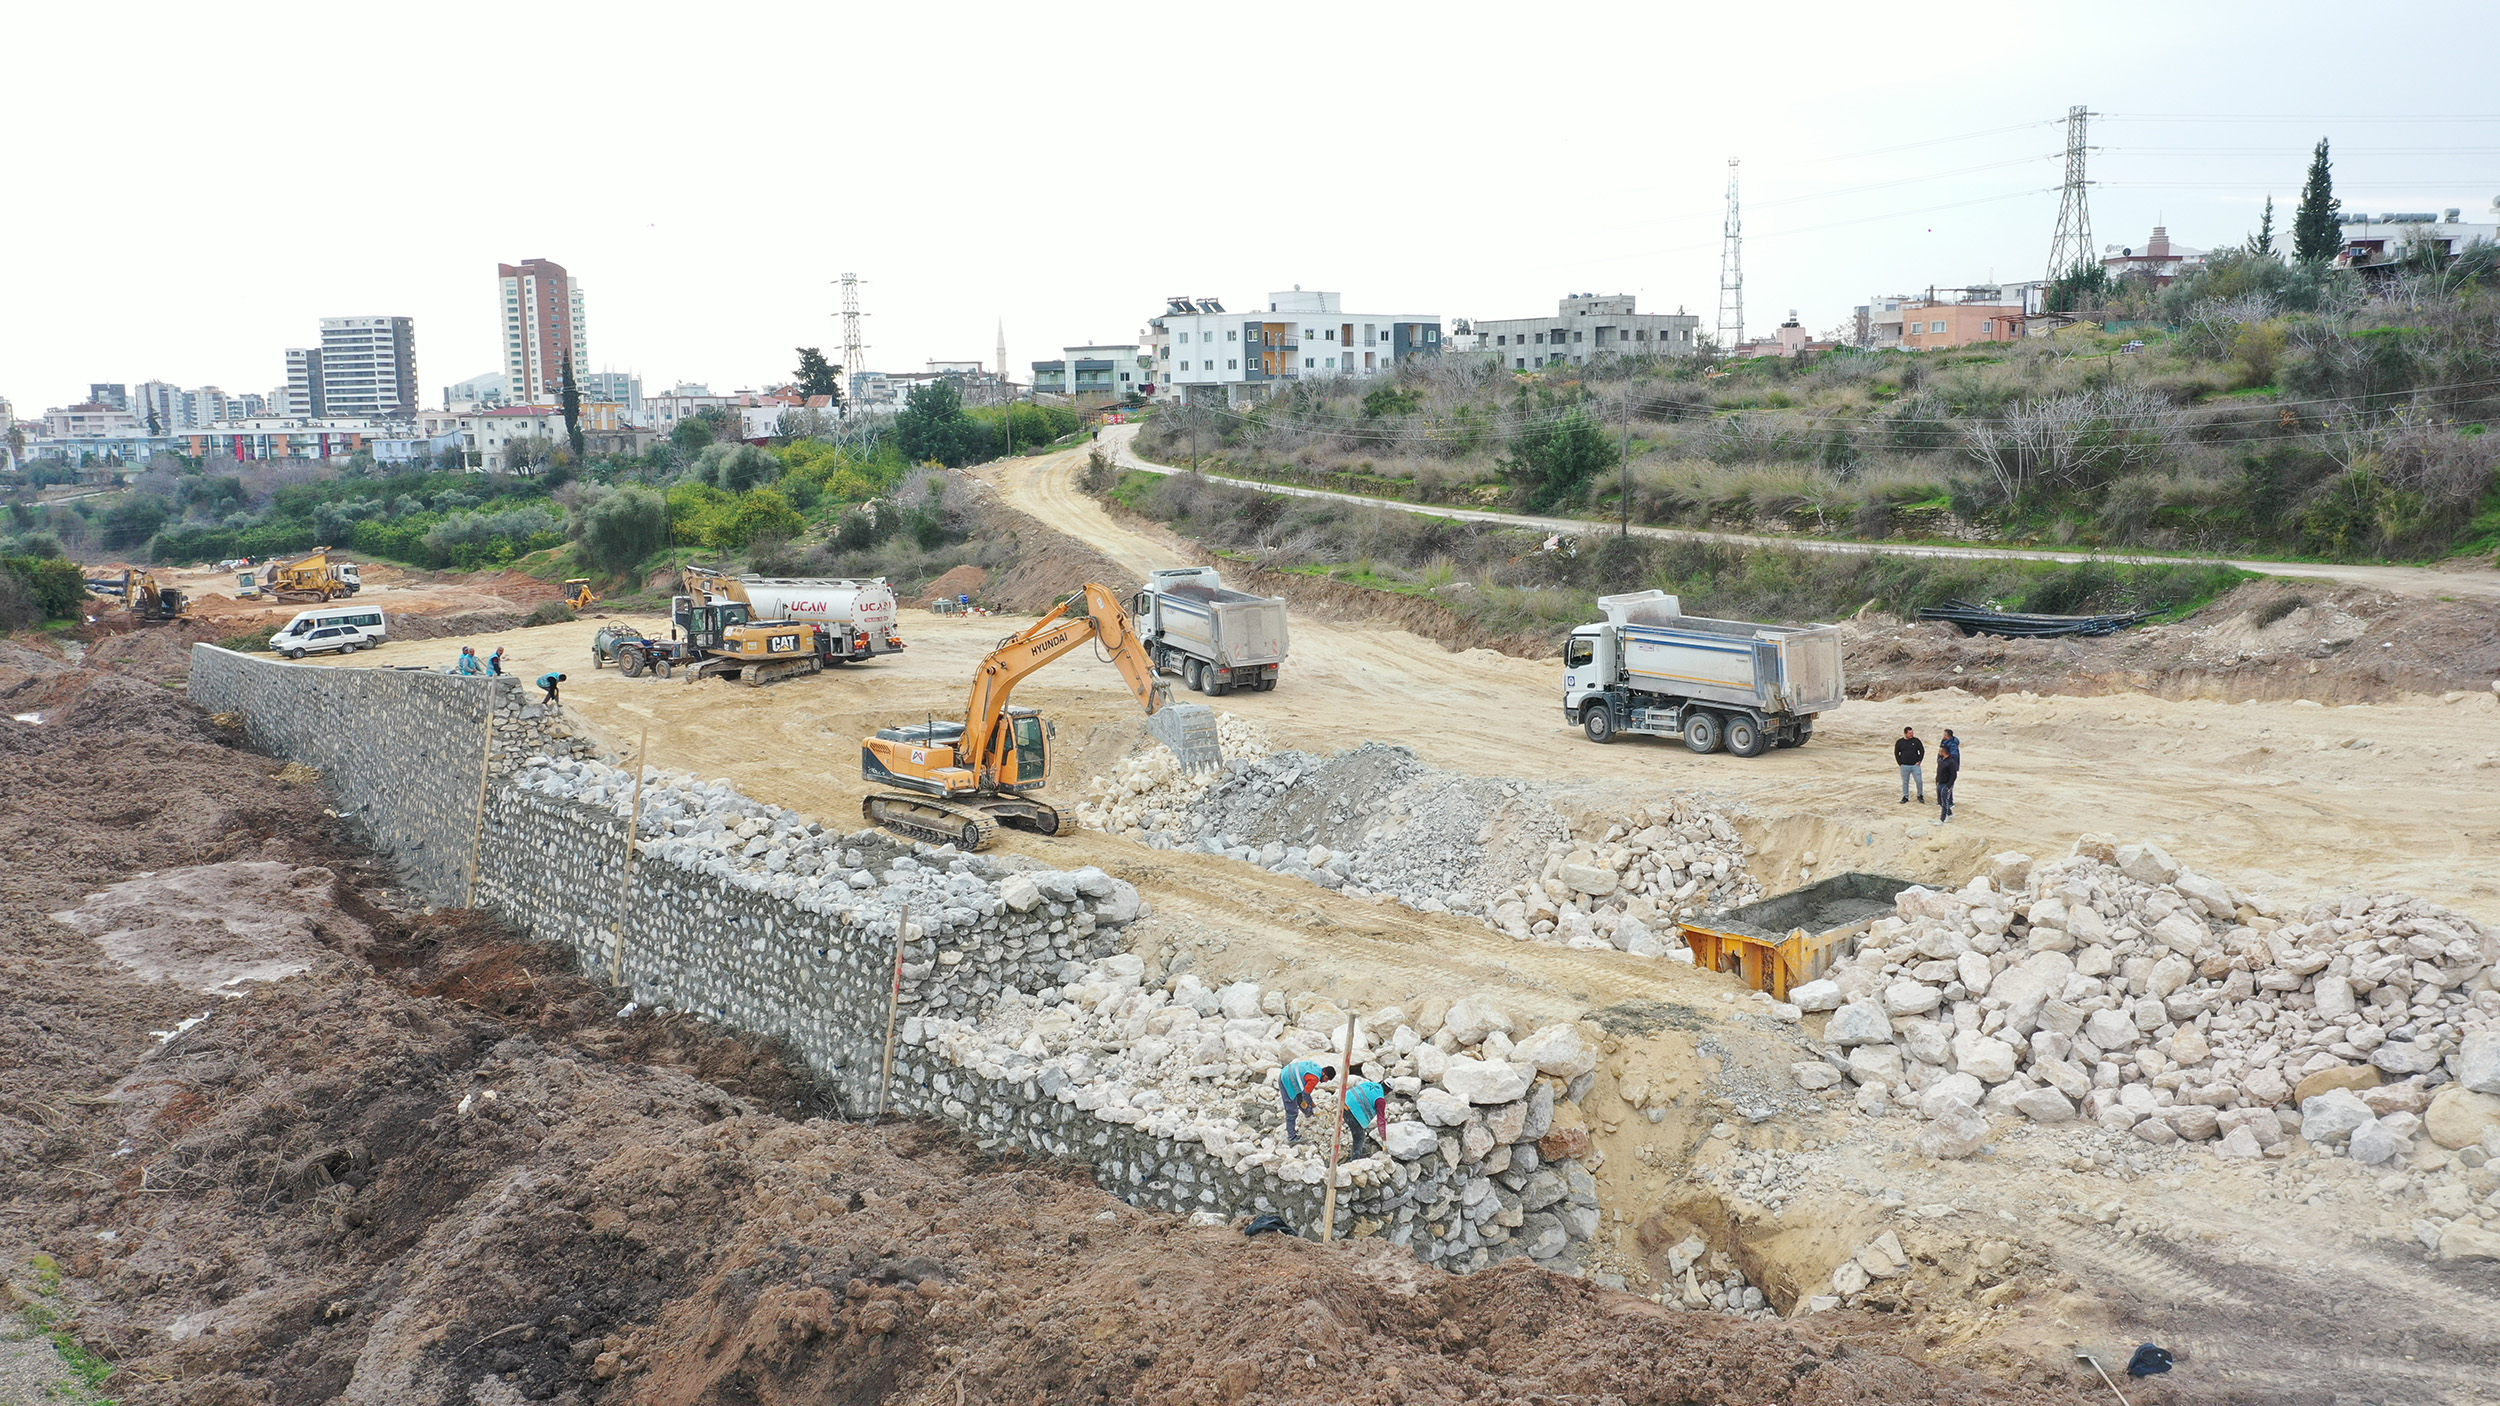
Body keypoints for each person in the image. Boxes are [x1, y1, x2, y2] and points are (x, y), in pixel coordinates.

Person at [1277, 1059, 1337, 1144]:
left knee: (1300, 1098)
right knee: (1292, 1111)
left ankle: (1308, 1113)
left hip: (1288, 1072)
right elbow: (1306, 1095)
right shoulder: (1314, 1078)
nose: (1326, 1081)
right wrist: (1314, 1106)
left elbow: (1303, 1095)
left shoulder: (1316, 1068)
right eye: (1327, 1079)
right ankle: (1292, 1138)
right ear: (1324, 1074)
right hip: (1286, 1079)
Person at [1342, 1078, 1389, 1158]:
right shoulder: (1380, 1100)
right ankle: (1354, 1160)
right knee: (1360, 1138)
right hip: (1352, 1113)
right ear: (1389, 1092)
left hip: (1343, 1103)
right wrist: (1383, 1138)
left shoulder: (1369, 1084)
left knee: (1357, 1131)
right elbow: (1381, 1121)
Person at [1894, 727, 1925, 804]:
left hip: (1915, 765)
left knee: (1919, 781)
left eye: (1912, 733)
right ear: (1905, 733)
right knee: (1905, 782)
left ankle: (1920, 795)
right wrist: (1900, 763)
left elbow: (1922, 751)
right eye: (1910, 733)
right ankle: (1905, 796)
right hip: (1904, 766)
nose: (1912, 735)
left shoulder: (1916, 741)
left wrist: (1919, 760)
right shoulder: (1900, 742)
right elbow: (1896, 753)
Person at [1937, 728, 1961, 821]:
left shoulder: (1953, 745)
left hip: (1948, 774)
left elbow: (1953, 774)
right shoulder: (1944, 742)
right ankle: (1949, 812)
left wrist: (1949, 764)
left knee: (1945, 797)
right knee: (1941, 798)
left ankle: (1943, 818)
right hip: (1942, 774)